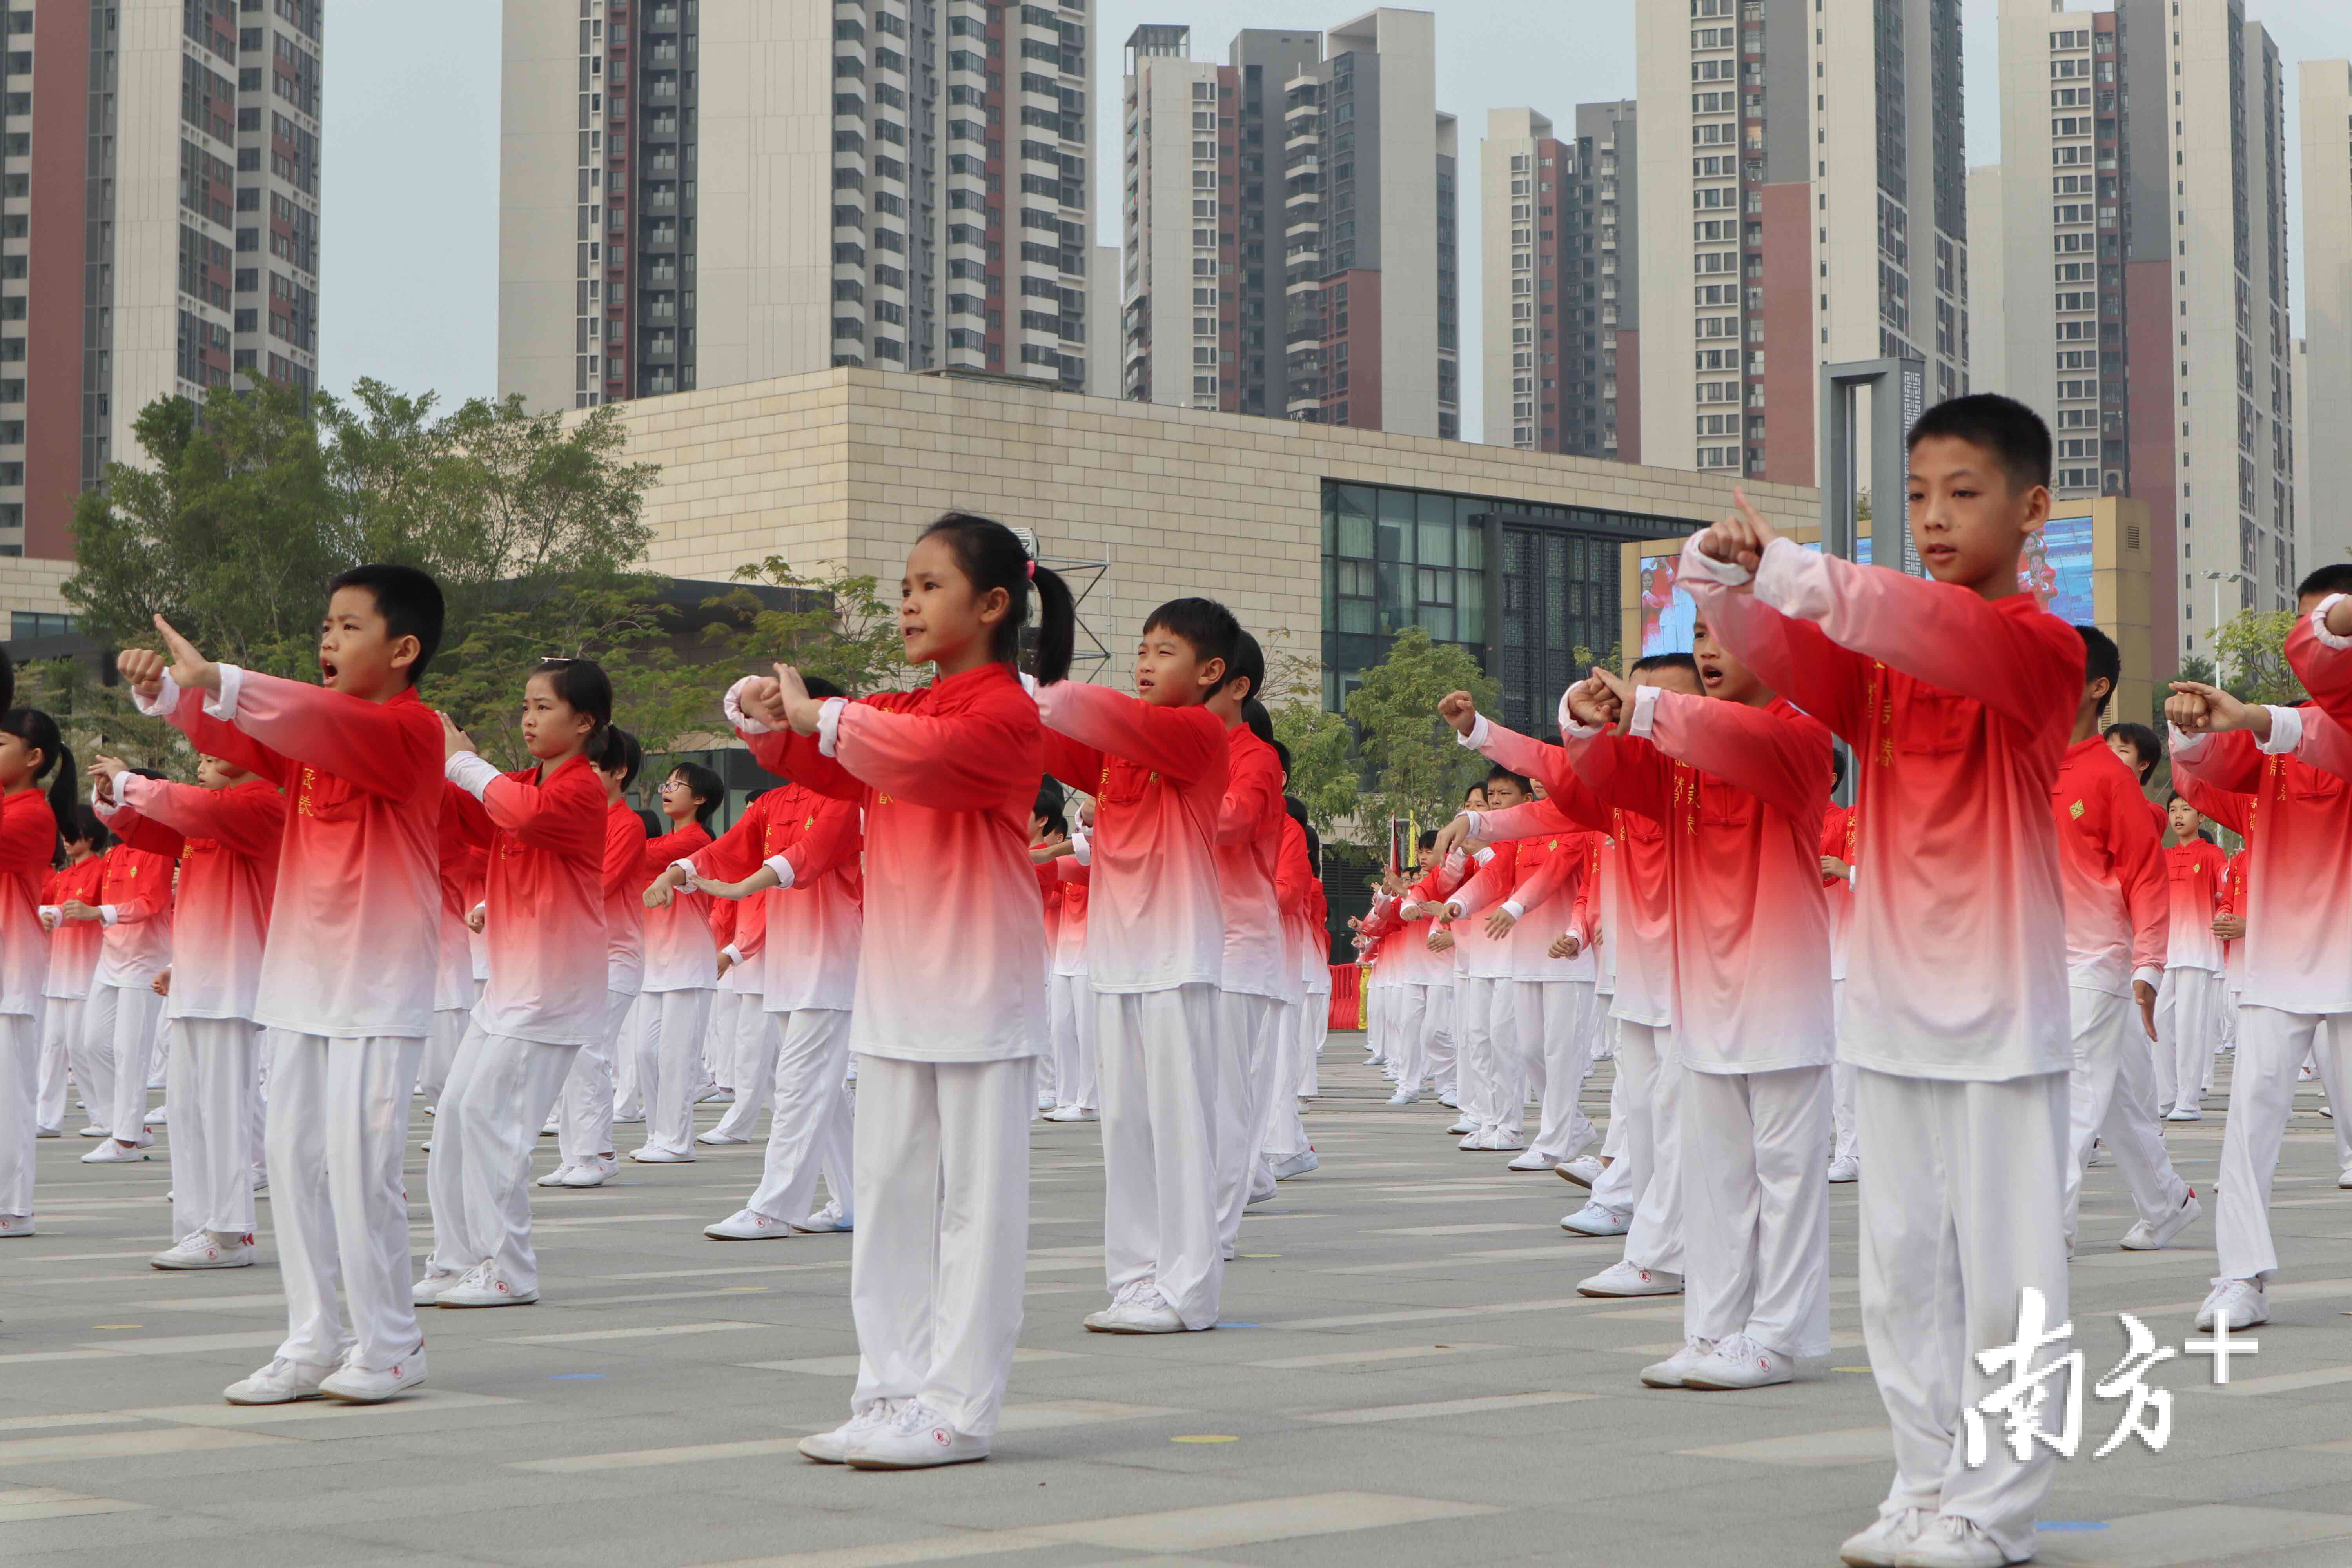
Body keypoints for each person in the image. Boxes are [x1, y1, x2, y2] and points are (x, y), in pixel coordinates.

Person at [1680, 396, 2080, 1567]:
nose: (1934, 516)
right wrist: (1719, 580)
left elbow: (1912, 621)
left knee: (2009, 1284)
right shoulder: (1888, 667)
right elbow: (1782, 653)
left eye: (1963, 492)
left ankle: (1996, 1508)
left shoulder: (2036, 650)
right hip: (1895, 1005)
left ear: (2032, 508)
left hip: (2001, 1009)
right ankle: (1921, 1483)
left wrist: (1794, 568)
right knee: (1901, 1271)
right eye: (1915, 495)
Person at [734, 512, 1069, 1468]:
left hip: (979, 989)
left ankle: (958, 1406)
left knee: (975, 1208)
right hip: (897, 989)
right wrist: (765, 706)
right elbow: (822, 757)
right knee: (887, 1193)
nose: (908, 602)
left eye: (929, 585)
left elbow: (907, 759)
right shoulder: (908, 706)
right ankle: (888, 1387)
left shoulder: (1005, 710)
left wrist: (826, 717)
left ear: (994, 603)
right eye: (906, 585)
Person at [124, 567, 448, 1405]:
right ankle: (313, 1336)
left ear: (404, 648)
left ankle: (392, 1341)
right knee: (294, 1158)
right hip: (301, 974)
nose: (327, 641)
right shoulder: (315, 736)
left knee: (359, 1162)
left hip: (378, 981)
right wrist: (170, 695)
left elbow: (303, 714)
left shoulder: (414, 732)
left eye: (347, 627)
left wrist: (223, 680)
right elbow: (240, 736)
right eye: (325, 626)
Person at [1546, 610, 1836, 1394]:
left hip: (1779, 988)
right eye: (1702, 631)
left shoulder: (1802, 738)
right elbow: (1591, 785)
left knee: (1785, 1172)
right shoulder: (1676, 759)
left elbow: (1742, 742)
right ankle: (1711, 1328)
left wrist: (1645, 708)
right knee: (1715, 1174)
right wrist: (1583, 719)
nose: (1710, 647)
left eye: (1730, 632)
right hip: (1701, 988)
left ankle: (1780, 1334)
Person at [1439, 657, 1700, 1281]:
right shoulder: (1623, 794)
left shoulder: (1704, 777)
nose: (1644, 711)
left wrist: (1577, 928)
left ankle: (1659, 1227)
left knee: (1673, 1103)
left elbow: (1557, 837)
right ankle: (1626, 1200)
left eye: (1664, 702)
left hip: (1699, 966)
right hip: (1641, 964)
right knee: (1640, 1096)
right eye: (1636, 700)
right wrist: (1479, 804)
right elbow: (1551, 796)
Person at [1035, 597, 1234, 1336]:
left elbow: (1098, 713)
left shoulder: (1196, 734)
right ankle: (1135, 1279)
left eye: (1164, 652)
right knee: (1124, 1126)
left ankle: (1188, 1290)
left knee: (1179, 1127)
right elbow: (1054, 734)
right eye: (1141, 650)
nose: (1145, 664)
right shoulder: (1123, 749)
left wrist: (1040, 693)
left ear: (1210, 672)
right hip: (1117, 956)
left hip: (1178, 952)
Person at [2165, 563, 2352, 1330]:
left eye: (2329, 628)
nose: (2308, 644)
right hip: (2276, 965)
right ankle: (2239, 1275)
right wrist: (2192, 721)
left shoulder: (2300, 727)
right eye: (2304, 627)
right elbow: (2206, 771)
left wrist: (2256, 716)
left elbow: (2325, 737)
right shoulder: (2275, 730)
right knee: (2249, 1129)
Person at [418, 659, 612, 1308]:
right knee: (453, 1115)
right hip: (509, 985)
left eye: (544, 708)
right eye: (526, 705)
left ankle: (508, 1268)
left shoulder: (579, 790)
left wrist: (464, 764)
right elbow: (473, 815)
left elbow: (521, 816)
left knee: (488, 1116)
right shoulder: (521, 783)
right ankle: (454, 1259)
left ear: (585, 723)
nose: (529, 719)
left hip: (552, 987)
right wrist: (429, 759)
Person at [659, 686, 864, 1241]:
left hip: (835, 961)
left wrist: (748, 882)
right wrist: (679, 871)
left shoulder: (850, 794)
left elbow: (811, 855)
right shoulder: (775, 802)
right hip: (789, 965)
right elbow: (729, 847)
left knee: (801, 1084)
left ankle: (776, 1206)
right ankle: (853, 1201)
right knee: (817, 1089)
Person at [91, 750, 285, 1269]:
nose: (200, 764)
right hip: (199, 975)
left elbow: (182, 808)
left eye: (213, 753)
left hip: (234, 977)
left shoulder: (262, 802)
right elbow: (152, 831)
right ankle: (202, 1225)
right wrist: (115, 803)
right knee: (187, 1108)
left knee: (222, 1108)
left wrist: (132, 782)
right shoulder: (214, 810)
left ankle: (231, 1232)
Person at [2047, 627, 2199, 1256]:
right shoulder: (2021, 765)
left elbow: (2144, 876)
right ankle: (2167, 1204)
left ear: (2096, 688)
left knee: (2072, 1086)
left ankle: (2045, 1228)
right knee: (2118, 1099)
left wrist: (2149, 966)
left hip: (2095, 958)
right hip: (2032, 958)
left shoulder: (2111, 780)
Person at [530, 725, 648, 1190]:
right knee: (573, 1051)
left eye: (594, 768)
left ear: (619, 772)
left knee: (590, 1052)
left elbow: (598, 887)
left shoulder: (628, 824)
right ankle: (575, 1154)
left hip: (615, 957)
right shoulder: (581, 818)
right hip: (579, 957)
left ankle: (597, 1153)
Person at [1201, 638, 1287, 1261]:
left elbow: (1230, 821)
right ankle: (1212, 1206)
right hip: (1188, 938)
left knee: (1226, 1096)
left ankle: (1214, 1232)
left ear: (1237, 685)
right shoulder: (1183, 751)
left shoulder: (1254, 759)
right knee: (1196, 1093)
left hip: (1239, 941)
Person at [62, 772, 175, 1163]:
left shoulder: (159, 848)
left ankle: (126, 1139)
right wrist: (56, 915)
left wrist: (102, 912)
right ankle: (127, 1125)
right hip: (110, 960)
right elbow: (84, 900)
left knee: (131, 1051)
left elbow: (153, 902)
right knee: (91, 1042)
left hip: (145, 961)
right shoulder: (114, 854)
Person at [0, 701, 74, 1240]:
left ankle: (13, 1208)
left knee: (10, 1097)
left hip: (14, 970)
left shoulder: (31, 815)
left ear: (33, 758)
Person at [628, 762, 723, 1162]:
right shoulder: (666, 841)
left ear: (700, 799)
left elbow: (641, 853)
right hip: (656, 961)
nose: (668, 790)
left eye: (678, 785)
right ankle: (658, 1135)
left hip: (688, 960)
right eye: (666, 784)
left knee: (677, 1056)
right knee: (645, 1053)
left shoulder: (696, 840)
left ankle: (677, 1140)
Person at [33, 809, 108, 1140]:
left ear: (90, 836)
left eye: (72, 832)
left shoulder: (101, 871)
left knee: (80, 1049)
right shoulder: (63, 877)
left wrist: (72, 915)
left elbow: (100, 913)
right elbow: (42, 906)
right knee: (53, 1048)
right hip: (59, 973)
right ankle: (48, 1119)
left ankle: (105, 1117)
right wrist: (45, 916)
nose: (66, 839)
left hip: (85, 972)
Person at [2155, 796, 2229, 1121]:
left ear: (2201, 815)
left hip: (2198, 951)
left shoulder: (2213, 855)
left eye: (2185, 809)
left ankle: (2189, 1101)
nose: (2178, 816)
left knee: (2190, 1026)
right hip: (2165, 952)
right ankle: (2165, 1094)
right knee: (2158, 1021)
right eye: (2173, 811)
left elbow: (2227, 895)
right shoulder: (2162, 856)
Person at [1042, 793, 1099, 1123]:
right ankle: (1067, 1097)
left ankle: (1089, 1101)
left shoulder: (1095, 862)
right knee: (1061, 1027)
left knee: (1087, 1030)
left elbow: (1062, 861)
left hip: (1091, 956)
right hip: (1065, 955)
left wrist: (1042, 855)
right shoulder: (1071, 868)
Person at [1820, 753, 1860, 1182]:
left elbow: (1891, 876)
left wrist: (1847, 870)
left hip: (1846, 957)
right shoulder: (1785, 820)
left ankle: (1852, 1149)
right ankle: (1833, 1143)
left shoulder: (1851, 819)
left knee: (1843, 1061)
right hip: (1801, 962)